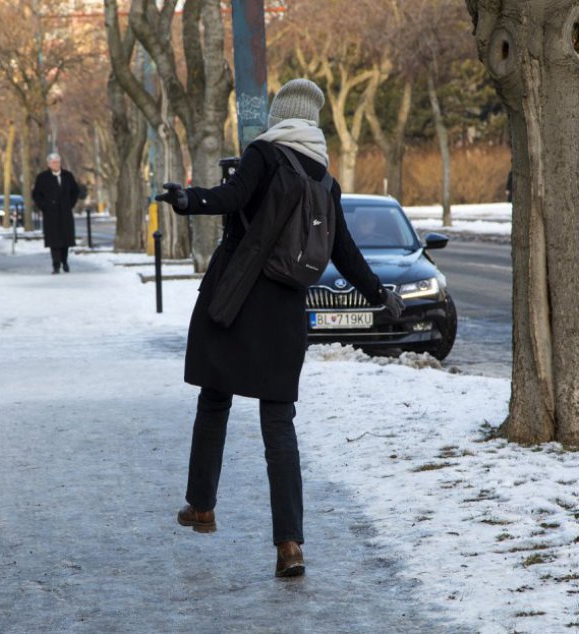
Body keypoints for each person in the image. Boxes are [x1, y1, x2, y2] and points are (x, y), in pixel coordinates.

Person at [155, 78, 405, 578]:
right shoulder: (323, 178)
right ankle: (290, 545)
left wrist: (187, 200)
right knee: (278, 425)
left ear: (279, 115)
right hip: (285, 313)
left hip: (238, 300)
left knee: (214, 398)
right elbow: (344, 252)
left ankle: (201, 507)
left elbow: (231, 197)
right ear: (313, 121)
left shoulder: (264, 154)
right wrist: (379, 295)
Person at [33, 152, 81, 274]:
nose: (56, 164)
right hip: (51, 214)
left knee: (65, 240)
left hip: (65, 212)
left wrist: (70, 204)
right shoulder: (42, 177)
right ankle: (56, 265)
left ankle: (64, 261)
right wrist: (44, 206)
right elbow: (36, 194)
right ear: (49, 164)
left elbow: (75, 191)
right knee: (54, 241)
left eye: (58, 162)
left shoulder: (67, 176)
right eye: (53, 162)